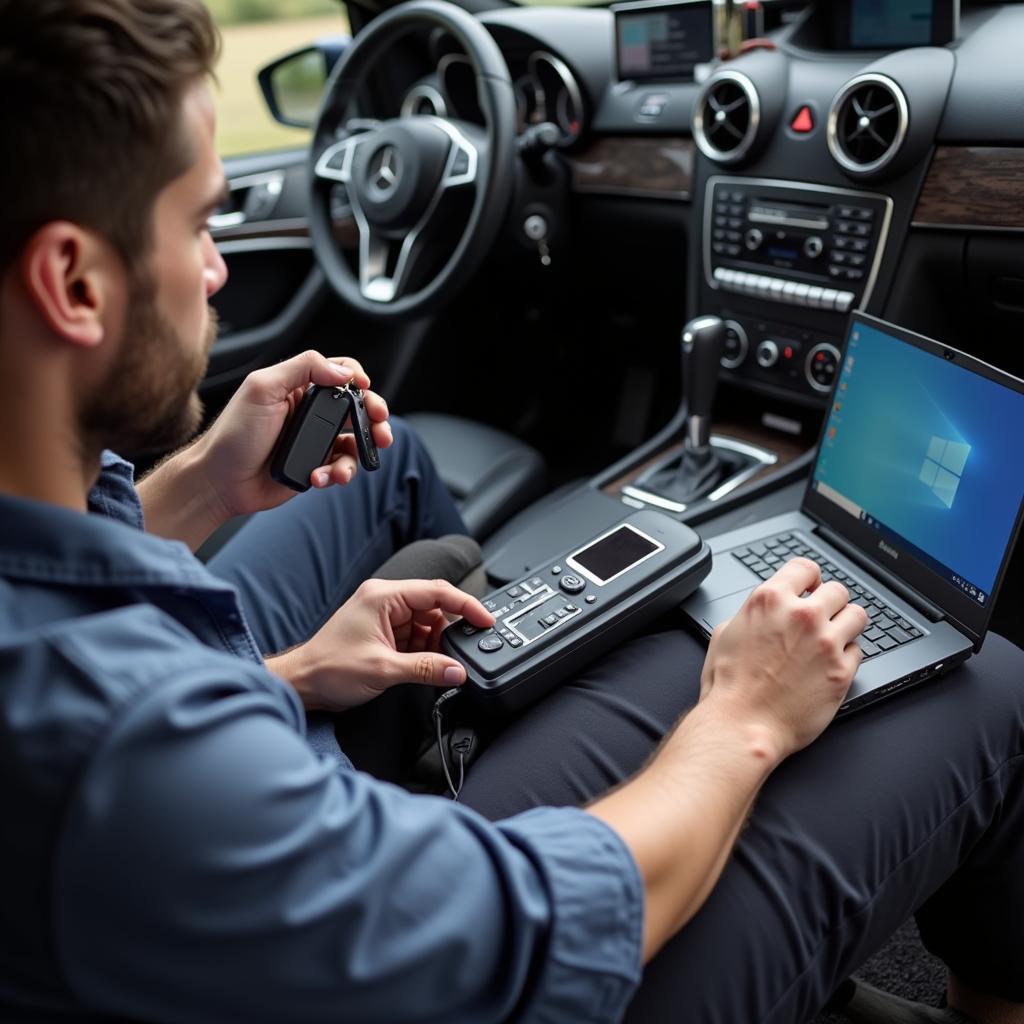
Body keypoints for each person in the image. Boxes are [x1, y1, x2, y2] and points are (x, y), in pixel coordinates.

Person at [0, 1, 1021, 1022]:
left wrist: (268, 647)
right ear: (73, 283)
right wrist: (741, 719)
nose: (217, 267)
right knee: (996, 687)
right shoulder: (134, 743)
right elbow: (542, 927)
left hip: (272, 877)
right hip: (483, 956)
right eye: (195, 224)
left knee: (431, 508)